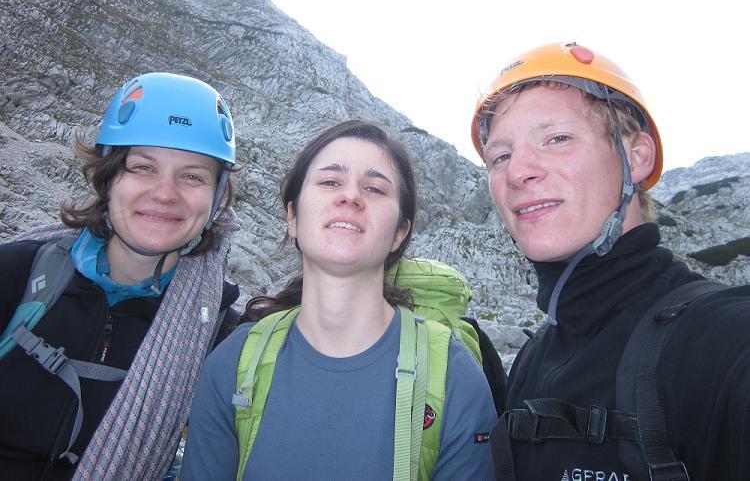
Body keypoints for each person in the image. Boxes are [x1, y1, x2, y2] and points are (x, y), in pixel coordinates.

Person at [469, 42, 750, 480]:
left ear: (636, 157)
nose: (517, 172)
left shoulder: (722, 339)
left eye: (557, 139)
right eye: (500, 156)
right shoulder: (533, 357)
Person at [181, 120, 496, 480]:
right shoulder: (234, 363)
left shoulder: (454, 377)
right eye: (330, 182)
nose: (351, 196)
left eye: (375, 188)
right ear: (293, 217)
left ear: (400, 232)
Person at [0, 72, 242, 480]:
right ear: (109, 176)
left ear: (216, 198)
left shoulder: (221, 337)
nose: (164, 193)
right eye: (143, 167)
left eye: (192, 176)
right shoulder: (17, 273)